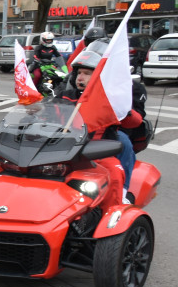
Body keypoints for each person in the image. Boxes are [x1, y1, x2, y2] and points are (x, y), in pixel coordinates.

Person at [59, 47, 141, 199]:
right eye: (78, 73)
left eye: (86, 73)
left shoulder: (108, 101)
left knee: (115, 172)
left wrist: (123, 110)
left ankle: (120, 200)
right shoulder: (65, 96)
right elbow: (46, 114)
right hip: (65, 150)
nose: (80, 77)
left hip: (96, 152)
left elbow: (135, 122)